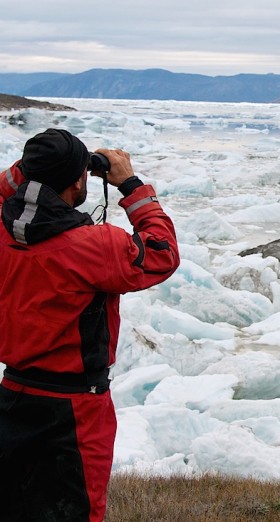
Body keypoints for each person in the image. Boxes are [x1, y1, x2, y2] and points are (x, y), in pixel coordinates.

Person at [0, 128, 180, 521]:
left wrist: (42, 162)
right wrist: (131, 185)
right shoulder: (95, 246)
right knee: (76, 510)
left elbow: (4, 190)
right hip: (75, 409)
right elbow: (161, 254)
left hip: (12, 397)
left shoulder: (3, 230)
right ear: (78, 179)